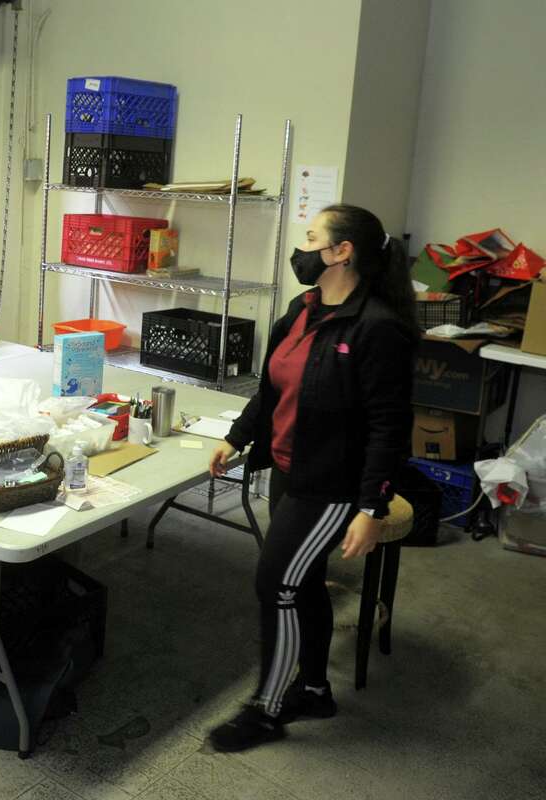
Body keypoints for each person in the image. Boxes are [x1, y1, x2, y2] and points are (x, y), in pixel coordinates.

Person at [205, 204, 417, 752]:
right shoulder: (303, 309)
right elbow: (272, 388)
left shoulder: (377, 329)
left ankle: (267, 709)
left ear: (341, 251)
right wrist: (237, 437)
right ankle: (316, 688)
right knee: (301, 585)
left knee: (275, 585)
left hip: (331, 488)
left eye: (312, 237)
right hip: (287, 469)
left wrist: (372, 508)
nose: (302, 248)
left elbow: (388, 429)